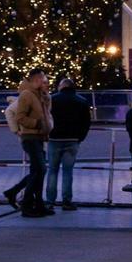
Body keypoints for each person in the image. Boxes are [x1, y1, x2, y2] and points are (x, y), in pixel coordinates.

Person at [3, 70, 54, 218]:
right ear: (36, 80)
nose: (46, 82)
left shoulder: (40, 96)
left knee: (38, 171)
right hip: (30, 137)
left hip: (39, 137)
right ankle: (26, 203)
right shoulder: (27, 95)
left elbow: (46, 114)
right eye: (43, 80)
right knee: (40, 170)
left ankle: (35, 202)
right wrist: (37, 124)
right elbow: (20, 116)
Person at [45, 78, 91, 211]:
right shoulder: (81, 101)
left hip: (54, 140)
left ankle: (50, 202)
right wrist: (80, 137)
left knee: (52, 171)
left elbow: (46, 118)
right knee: (68, 172)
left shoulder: (52, 100)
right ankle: (66, 201)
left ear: (61, 87)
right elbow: (86, 122)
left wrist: (48, 134)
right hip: (72, 140)